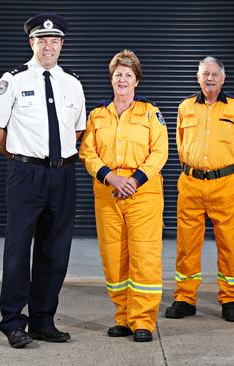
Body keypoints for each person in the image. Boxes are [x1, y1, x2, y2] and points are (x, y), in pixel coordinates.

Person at [0, 13, 86, 348]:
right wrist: (17, 155)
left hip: (63, 174)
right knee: (17, 250)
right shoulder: (12, 80)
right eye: (42, 41)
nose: (49, 46)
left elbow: (78, 130)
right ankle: (13, 323)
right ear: (32, 43)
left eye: (54, 41)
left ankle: (43, 321)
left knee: (55, 251)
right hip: (25, 174)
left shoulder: (72, 83)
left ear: (61, 45)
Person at [79, 50, 168, 342]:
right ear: (111, 78)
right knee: (114, 257)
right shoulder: (97, 115)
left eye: (128, 75)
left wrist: (134, 179)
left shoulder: (150, 113)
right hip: (108, 192)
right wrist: (109, 176)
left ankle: (143, 320)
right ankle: (123, 316)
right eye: (118, 74)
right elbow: (87, 152)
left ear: (136, 80)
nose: (122, 79)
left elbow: (160, 152)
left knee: (144, 256)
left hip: (143, 192)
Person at [164, 57, 234, 322]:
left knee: (230, 244)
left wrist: (232, 177)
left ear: (223, 79)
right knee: (187, 245)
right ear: (198, 78)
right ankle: (185, 298)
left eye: (214, 74)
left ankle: (231, 300)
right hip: (190, 183)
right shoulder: (185, 107)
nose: (210, 78)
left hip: (225, 183)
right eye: (205, 74)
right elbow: (180, 144)